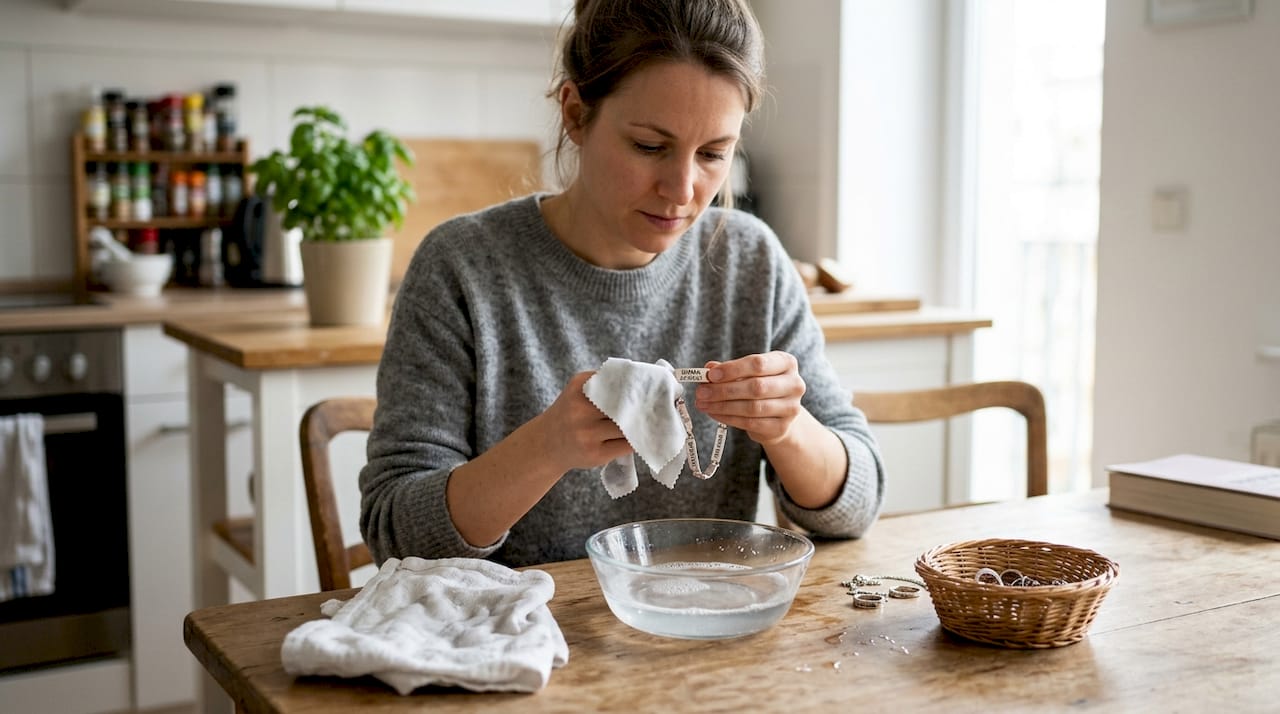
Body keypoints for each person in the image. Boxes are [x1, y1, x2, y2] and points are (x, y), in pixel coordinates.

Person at [359, 0, 884, 568]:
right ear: (575, 114)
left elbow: (856, 506)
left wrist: (788, 429)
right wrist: (549, 446)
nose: (683, 189)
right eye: (650, 147)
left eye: (713, 154)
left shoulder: (750, 261)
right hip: (518, 640)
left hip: (707, 628)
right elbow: (396, 530)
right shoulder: (461, 268)